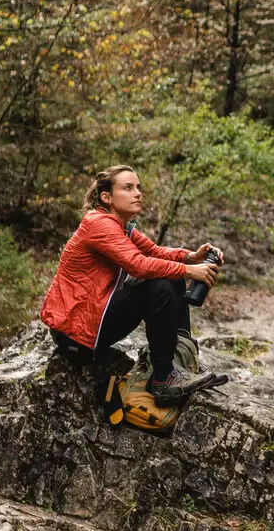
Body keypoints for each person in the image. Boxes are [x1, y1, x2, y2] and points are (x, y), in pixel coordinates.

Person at [40, 165, 221, 403]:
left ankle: (180, 360)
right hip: (76, 336)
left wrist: (191, 257)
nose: (138, 193)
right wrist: (190, 271)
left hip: (92, 323)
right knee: (160, 286)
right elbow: (139, 265)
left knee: (170, 277)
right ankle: (164, 379)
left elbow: (154, 252)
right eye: (128, 188)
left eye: (138, 187)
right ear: (107, 197)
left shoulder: (120, 226)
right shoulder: (99, 224)